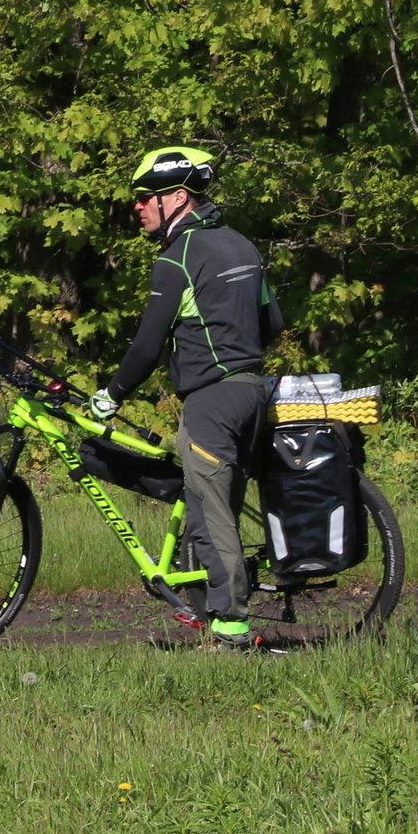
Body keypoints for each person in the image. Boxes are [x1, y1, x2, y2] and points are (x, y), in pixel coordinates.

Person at [86, 147, 285, 652]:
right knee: (212, 503)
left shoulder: (176, 259)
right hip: (253, 393)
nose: (138, 206)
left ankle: (232, 628)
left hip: (211, 402)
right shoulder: (242, 246)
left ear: (178, 197)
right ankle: (205, 608)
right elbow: (274, 325)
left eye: (146, 197)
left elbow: (148, 346)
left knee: (210, 513)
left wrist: (110, 397)